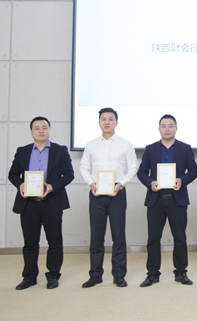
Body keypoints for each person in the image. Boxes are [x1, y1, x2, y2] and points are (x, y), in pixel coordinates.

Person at [8, 116, 74, 290]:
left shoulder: (60, 150)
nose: (41, 131)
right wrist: (20, 184)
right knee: (30, 242)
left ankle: (53, 275)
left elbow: (69, 175)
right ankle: (29, 277)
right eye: (36, 128)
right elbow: (12, 174)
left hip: (51, 202)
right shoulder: (22, 151)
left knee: (54, 241)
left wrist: (53, 187)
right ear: (31, 132)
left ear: (49, 130)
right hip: (28, 203)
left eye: (44, 127)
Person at [137, 115, 197, 287]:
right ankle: (152, 274)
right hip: (155, 200)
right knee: (153, 239)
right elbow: (141, 172)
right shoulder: (150, 149)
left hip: (177, 200)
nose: (167, 129)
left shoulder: (185, 148)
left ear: (176, 129)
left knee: (180, 238)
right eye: (163, 126)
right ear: (159, 129)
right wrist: (150, 182)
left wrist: (182, 180)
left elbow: (194, 171)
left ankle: (181, 272)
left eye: (170, 126)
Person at [79, 107, 138, 288]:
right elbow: (83, 167)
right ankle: (95, 275)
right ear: (99, 122)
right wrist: (91, 183)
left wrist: (121, 184)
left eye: (110, 119)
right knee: (96, 237)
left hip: (117, 193)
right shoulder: (91, 144)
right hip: (96, 194)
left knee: (118, 236)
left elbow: (133, 168)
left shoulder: (125, 144)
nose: (107, 122)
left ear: (116, 122)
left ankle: (119, 275)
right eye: (103, 119)